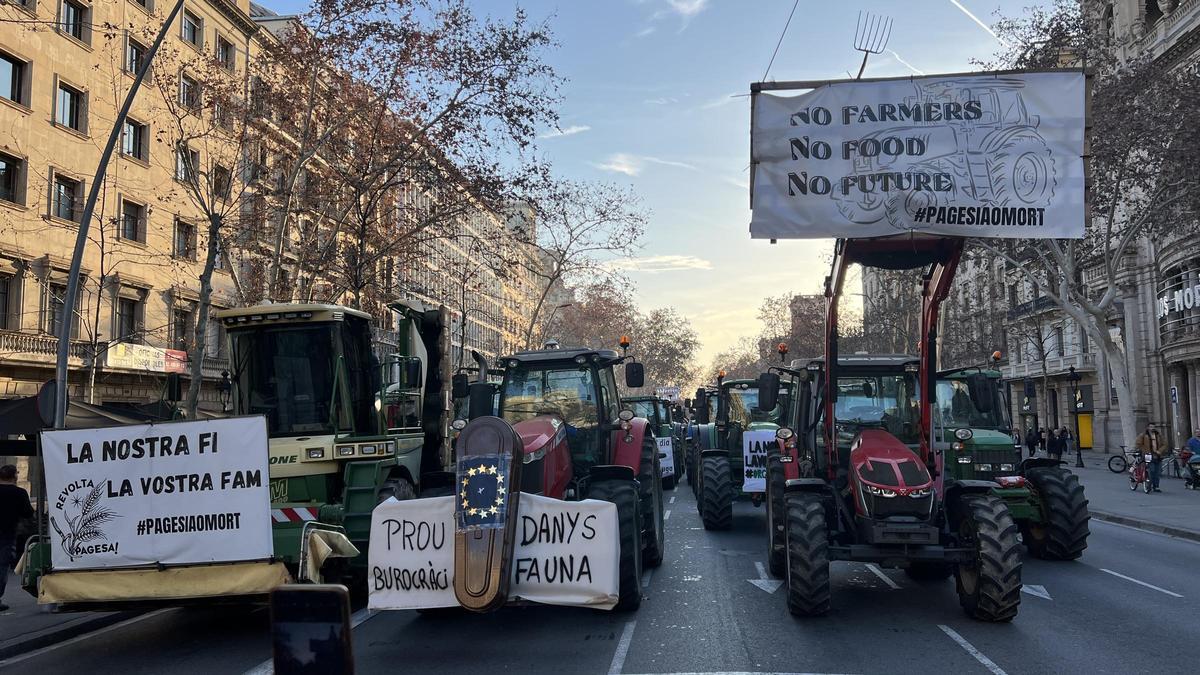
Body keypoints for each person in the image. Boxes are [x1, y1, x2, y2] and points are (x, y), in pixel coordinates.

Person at [1, 464, 34, 611]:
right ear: (14, 476)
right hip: (7, 534)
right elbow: (28, 513)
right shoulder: (19, 493)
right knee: (1, 567)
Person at [1135, 423, 1167, 493]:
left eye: (1153, 427)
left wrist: (1160, 451)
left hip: (1158, 455)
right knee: (1151, 470)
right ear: (1148, 427)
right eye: (1151, 427)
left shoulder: (1158, 435)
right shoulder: (1143, 435)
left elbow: (1164, 444)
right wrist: (1145, 451)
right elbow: (1138, 444)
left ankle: (1156, 486)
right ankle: (1149, 484)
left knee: (1158, 471)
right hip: (1148, 455)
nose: (1152, 428)